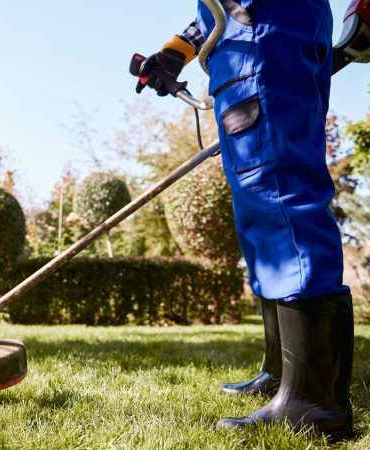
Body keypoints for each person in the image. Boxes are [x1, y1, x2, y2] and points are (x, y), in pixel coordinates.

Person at [136, 0, 354, 440]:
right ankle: (282, 374)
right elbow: (214, 13)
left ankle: (313, 400)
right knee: (259, 207)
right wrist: (175, 51)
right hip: (250, 35)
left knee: (276, 191)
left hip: (262, 31)